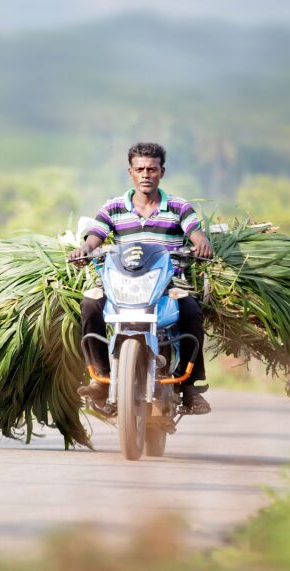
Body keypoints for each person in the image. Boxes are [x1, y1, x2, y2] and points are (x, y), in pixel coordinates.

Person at [68, 142, 213, 415]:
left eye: (152, 169)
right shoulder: (113, 207)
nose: (146, 174)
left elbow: (196, 234)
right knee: (89, 304)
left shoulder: (179, 207)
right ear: (130, 172)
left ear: (162, 172)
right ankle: (100, 376)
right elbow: (94, 239)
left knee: (192, 310)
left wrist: (202, 244)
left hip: (167, 286)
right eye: (140, 169)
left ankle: (190, 385)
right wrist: (84, 250)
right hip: (121, 284)